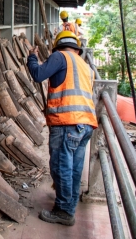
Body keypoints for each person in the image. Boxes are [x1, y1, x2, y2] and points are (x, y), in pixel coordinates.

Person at [27, 30, 97, 226]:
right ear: (77, 48)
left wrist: (32, 57)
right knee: (74, 168)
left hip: (66, 122)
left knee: (61, 167)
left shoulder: (60, 56)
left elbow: (38, 74)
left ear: (57, 45)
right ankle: (69, 204)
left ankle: (64, 211)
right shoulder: (85, 66)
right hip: (85, 124)